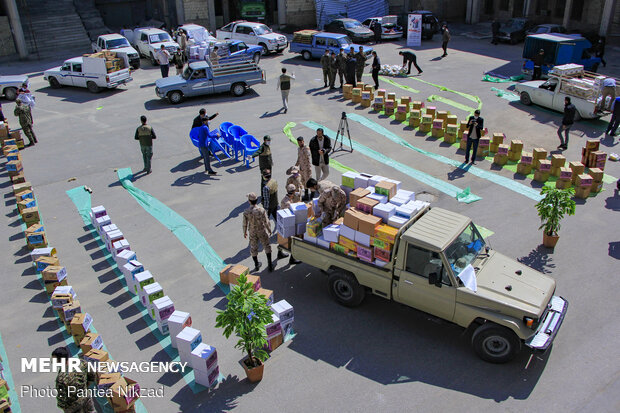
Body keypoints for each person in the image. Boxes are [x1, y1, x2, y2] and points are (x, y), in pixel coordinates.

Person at [52, 346, 96, 413]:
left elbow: (62, 400)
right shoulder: (81, 363)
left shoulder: (61, 378)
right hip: (86, 398)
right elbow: (92, 375)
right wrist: (85, 387)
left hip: (73, 406)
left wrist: (65, 408)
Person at [243, 192, 273, 272]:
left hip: (252, 231)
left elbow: (244, 223)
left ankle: (256, 265)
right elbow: (266, 222)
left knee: (253, 248)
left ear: (249, 201)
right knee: (266, 246)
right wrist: (269, 230)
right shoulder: (261, 210)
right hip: (261, 230)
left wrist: (244, 232)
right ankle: (270, 265)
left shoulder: (246, 211)